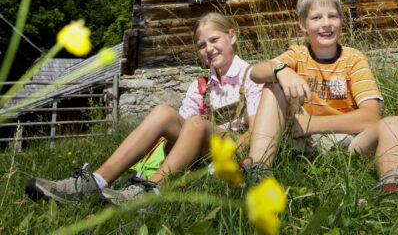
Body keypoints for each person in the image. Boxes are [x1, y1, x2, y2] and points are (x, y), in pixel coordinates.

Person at [26, 12, 263, 204]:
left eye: (215, 40)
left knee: (196, 121)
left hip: (234, 152)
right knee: (163, 112)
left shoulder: (251, 76)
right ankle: (95, 181)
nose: (209, 49)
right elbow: (179, 131)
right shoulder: (200, 86)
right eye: (201, 45)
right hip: (197, 150)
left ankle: (149, 191)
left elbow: (255, 132)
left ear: (231, 37)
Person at [245, 0, 398, 194]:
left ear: (341, 21)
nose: (326, 24)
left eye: (332, 16)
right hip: (302, 141)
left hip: (349, 142)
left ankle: (394, 178)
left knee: (394, 122)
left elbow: (371, 117)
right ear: (303, 24)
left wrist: (311, 124)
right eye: (316, 18)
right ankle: (258, 170)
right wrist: (281, 70)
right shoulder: (297, 54)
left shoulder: (354, 59)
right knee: (273, 81)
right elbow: (254, 72)